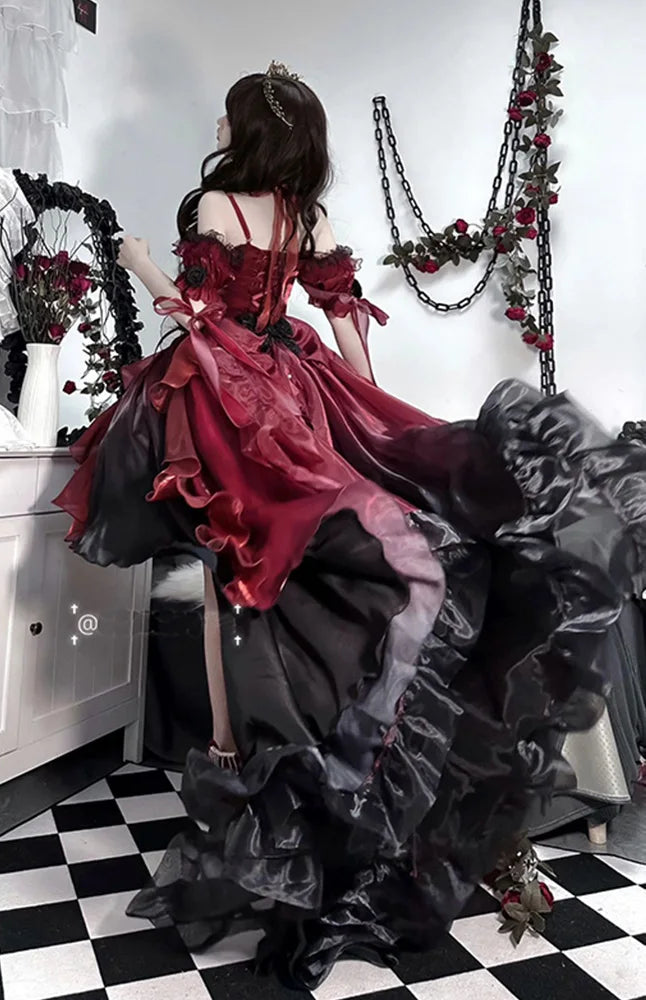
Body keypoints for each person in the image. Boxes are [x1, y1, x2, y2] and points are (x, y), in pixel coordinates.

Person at [54, 63, 646, 989]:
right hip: (287, 385)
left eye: (230, 112)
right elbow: (344, 324)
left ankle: (238, 751)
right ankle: (285, 750)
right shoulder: (309, 219)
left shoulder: (215, 206)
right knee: (258, 561)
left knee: (227, 565)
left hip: (228, 393)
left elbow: (198, 316)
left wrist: (134, 260)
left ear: (250, 126)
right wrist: (373, 416)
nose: (219, 121)